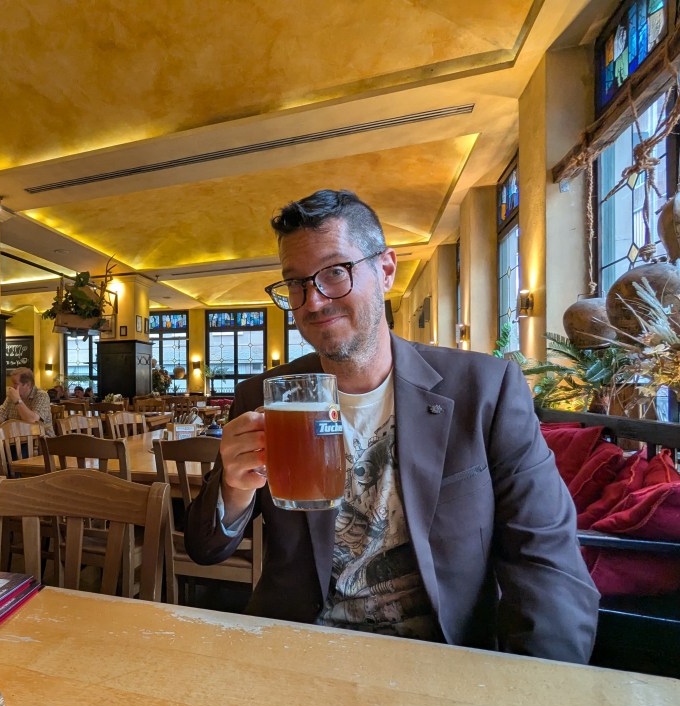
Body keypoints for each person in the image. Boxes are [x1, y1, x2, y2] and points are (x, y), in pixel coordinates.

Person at [185, 189, 599, 664]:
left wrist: (543, 694)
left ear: (385, 270)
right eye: (295, 283)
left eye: (335, 272)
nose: (313, 300)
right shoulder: (266, 397)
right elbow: (205, 548)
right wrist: (234, 493)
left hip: (443, 662)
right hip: (299, 652)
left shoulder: (484, 391)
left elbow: (546, 561)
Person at [0, 367, 54, 437]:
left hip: (41, 442)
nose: (12, 386)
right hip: (17, 439)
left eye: (15, 383)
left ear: (28, 385)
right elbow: (0, 417)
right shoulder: (12, 396)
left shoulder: (41, 395)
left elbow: (33, 421)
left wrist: (17, 400)